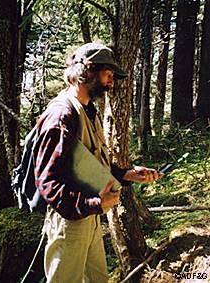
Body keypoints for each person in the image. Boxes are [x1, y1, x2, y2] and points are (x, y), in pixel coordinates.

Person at [33, 42, 162, 283]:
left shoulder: (87, 110)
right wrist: (92, 203)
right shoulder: (62, 115)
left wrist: (126, 174)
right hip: (70, 222)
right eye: (108, 75)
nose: (112, 83)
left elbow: (86, 164)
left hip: (89, 218)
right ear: (88, 71)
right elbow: (47, 181)